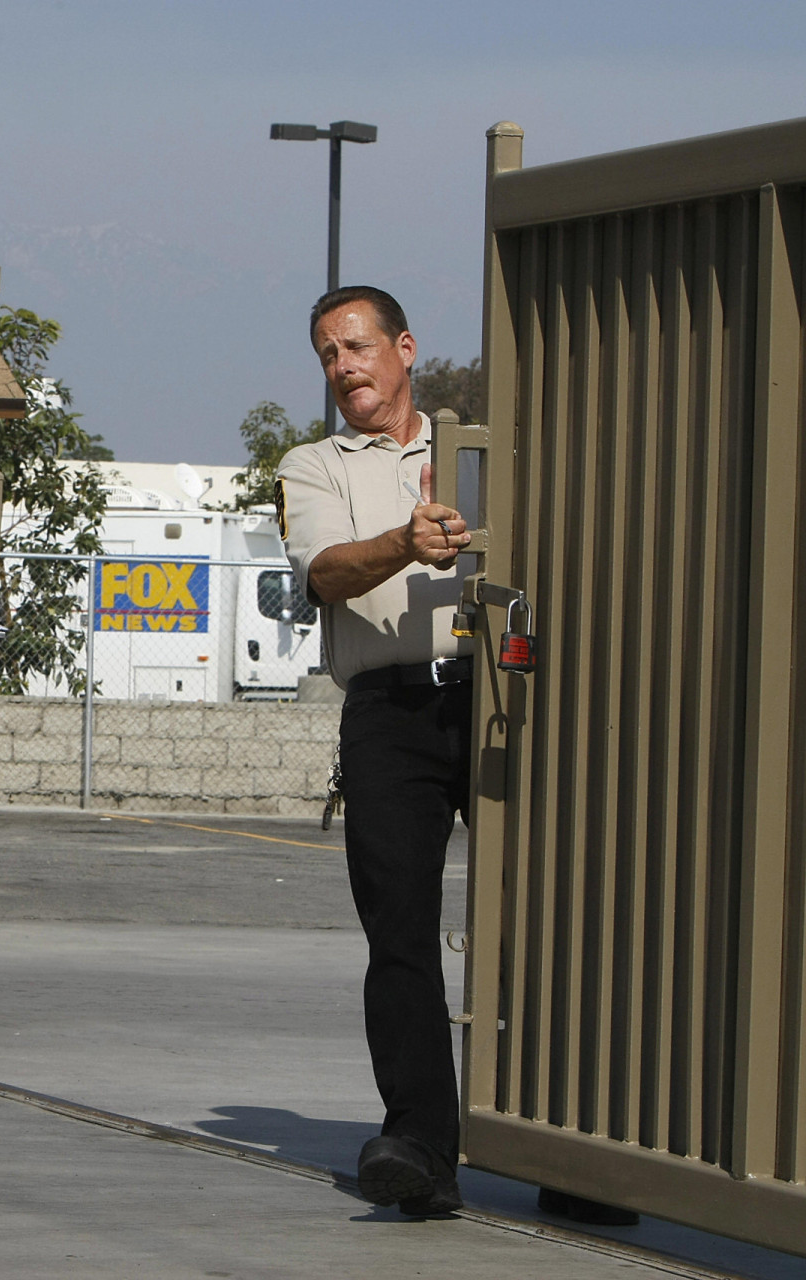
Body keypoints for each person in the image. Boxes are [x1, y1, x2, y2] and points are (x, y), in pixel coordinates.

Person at [274, 285, 471, 1217]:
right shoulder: (315, 465)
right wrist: (405, 540)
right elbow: (325, 572)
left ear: (404, 347)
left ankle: (578, 1154)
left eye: (354, 347)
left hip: (498, 696)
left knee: (559, 924)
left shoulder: (475, 452)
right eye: (326, 354)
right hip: (389, 713)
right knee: (400, 934)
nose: (341, 367)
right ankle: (422, 1147)